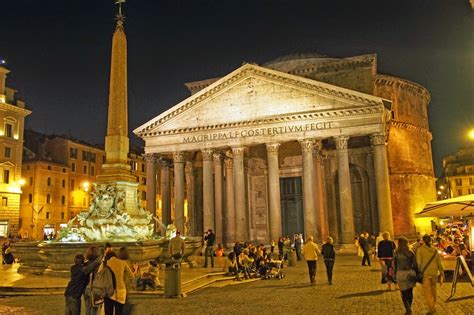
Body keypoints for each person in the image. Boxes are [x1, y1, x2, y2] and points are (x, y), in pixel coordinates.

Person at [416, 234, 444, 315]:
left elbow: (418, 263)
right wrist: (442, 273)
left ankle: (432, 309)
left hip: (425, 274)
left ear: (423, 241)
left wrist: (419, 271)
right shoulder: (435, 250)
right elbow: (439, 263)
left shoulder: (420, 250)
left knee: (427, 292)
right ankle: (434, 304)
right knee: (434, 290)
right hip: (434, 273)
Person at [104, 247, 134, 315]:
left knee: (108, 312)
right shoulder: (122, 263)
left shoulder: (105, 263)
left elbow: (99, 275)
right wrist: (125, 283)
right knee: (119, 312)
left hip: (108, 290)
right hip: (121, 290)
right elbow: (131, 276)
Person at [394, 237, 418, 315]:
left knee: (403, 292)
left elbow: (394, 265)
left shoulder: (396, 253)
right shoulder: (410, 252)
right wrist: (416, 273)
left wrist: (394, 275)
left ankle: (408, 308)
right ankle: (409, 307)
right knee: (410, 292)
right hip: (410, 272)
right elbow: (415, 264)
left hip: (400, 273)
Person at [83, 246, 102, 315]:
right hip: (94, 288)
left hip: (86, 288)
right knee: (94, 309)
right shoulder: (98, 265)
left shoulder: (85, 263)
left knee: (87, 308)